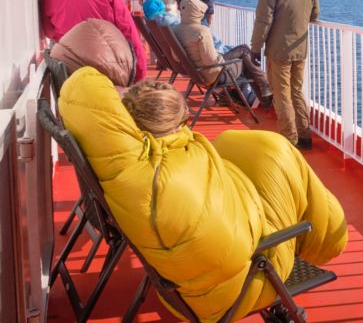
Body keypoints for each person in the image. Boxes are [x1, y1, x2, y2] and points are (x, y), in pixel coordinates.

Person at [57, 67, 347, 322]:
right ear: (175, 124)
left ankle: (320, 234)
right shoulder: (163, 183)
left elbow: (81, 87)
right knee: (275, 152)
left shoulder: (132, 169)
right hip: (245, 283)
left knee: (243, 146)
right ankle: (328, 240)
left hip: (188, 285)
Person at [250, 0, 319, 150]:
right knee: (296, 90)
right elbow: (314, 15)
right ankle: (305, 135)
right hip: (300, 47)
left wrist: (255, 47)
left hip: (278, 50)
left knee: (282, 94)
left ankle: (290, 141)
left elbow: (264, 19)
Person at [174, 0, 272, 107]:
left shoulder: (177, 30)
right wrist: (220, 56)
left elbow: (176, 57)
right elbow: (210, 61)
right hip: (212, 75)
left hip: (196, 72)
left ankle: (260, 92)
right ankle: (264, 91)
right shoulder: (202, 31)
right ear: (198, 13)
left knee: (244, 53)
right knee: (245, 57)